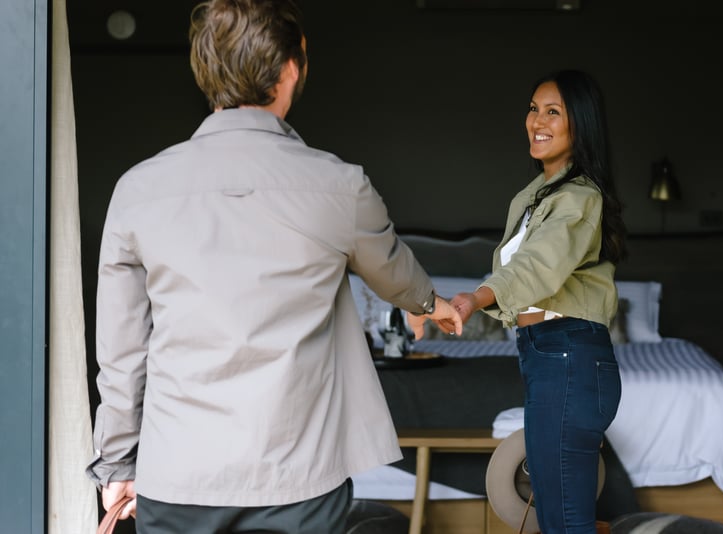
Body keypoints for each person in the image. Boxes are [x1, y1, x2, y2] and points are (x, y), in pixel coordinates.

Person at [85, 1, 462, 532]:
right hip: (300, 478)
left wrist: (118, 462)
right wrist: (433, 303)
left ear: (205, 70)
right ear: (291, 68)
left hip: (177, 475)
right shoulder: (339, 186)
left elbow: (121, 355)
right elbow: (392, 270)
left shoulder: (136, 191)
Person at [447, 69, 627, 534]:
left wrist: (476, 298)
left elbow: (538, 268)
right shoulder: (533, 198)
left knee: (565, 523)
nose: (537, 121)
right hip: (547, 355)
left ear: (579, 124)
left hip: (570, 355)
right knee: (556, 519)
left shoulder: (580, 197)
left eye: (553, 111)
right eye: (533, 109)